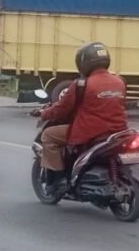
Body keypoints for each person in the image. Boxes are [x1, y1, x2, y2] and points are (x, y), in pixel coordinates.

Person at [37, 42, 128, 194]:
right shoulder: (120, 82)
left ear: (83, 62)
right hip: (119, 130)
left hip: (90, 132)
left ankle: (59, 180)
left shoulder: (81, 84)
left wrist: (43, 113)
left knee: (48, 135)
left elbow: (61, 109)